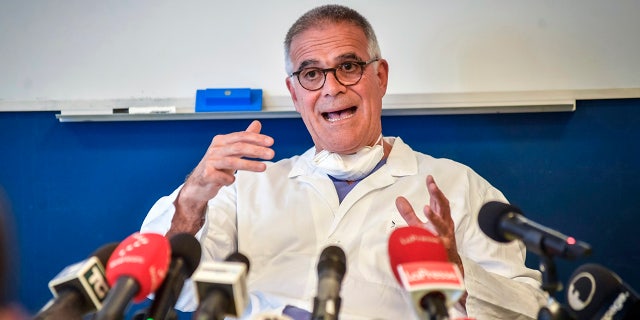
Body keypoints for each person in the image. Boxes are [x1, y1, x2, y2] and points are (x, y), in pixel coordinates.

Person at [141, 4, 547, 319]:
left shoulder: (455, 186)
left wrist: (457, 272)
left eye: (348, 67)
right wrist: (192, 199)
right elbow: (176, 292)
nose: (332, 88)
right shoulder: (245, 187)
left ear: (380, 77)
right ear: (295, 92)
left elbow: (529, 309)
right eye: (311, 74)